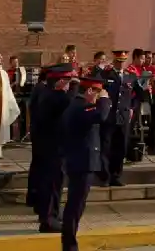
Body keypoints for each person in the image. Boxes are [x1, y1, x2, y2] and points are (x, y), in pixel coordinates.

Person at [59, 74, 110, 251]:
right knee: (75, 206)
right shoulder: (81, 107)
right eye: (97, 92)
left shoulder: (78, 105)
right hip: (82, 162)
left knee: (76, 205)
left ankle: (69, 243)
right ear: (89, 91)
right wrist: (105, 100)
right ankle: (69, 245)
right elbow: (101, 115)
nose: (98, 96)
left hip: (80, 161)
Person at [30, 63, 76, 233]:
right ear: (60, 82)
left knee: (53, 183)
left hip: (49, 146)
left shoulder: (48, 94)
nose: (69, 85)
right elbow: (71, 102)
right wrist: (75, 87)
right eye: (68, 81)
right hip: (54, 147)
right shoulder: (57, 97)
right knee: (52, 184)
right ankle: (48, 220)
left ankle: (52, 214)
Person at [100, 51, 141, 187]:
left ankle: (116, 175)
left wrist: (132, 107)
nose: (120, 64)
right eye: (118, 61)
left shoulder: (131, 76)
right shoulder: (106, 75)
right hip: (109, 115)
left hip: (123, 116)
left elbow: (139, 94)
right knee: (106, 147)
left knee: (120, 147)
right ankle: (105, 176)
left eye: (123, 61)